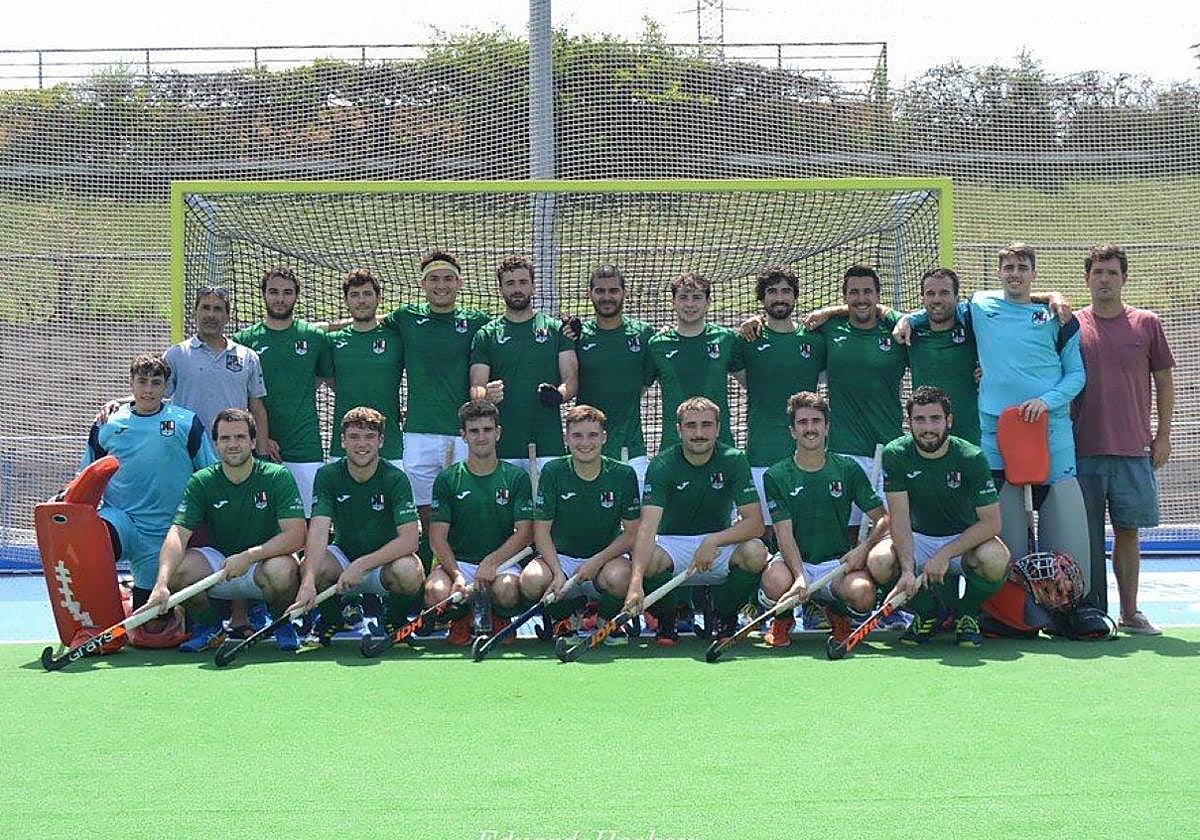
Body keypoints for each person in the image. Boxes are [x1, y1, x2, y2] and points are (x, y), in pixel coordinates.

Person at [896, 244, 1090, 600]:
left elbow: (1076, 375)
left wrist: (1045, 402)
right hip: (997, 435)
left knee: (1063, 524)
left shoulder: (1059, 317)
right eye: (1008, 267)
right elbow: (941, 309)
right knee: (1003, 540)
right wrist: (909, 319)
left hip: (1051, 434)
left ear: (1033, 272)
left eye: (1021, 267)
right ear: (998, 273)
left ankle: (1071, 608)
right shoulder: (982, 306)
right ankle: (1006, 612)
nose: (1014, 273)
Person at [1073, 244, 1175, 633]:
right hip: (1082, 451)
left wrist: (1161, 436)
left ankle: (1129, 612)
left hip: (1134, 450)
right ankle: (1081, 613)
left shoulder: (1147, 323)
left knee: (1128, 532)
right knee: (1084, 537)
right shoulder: (1071, 324)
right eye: (1098, 272)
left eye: (1112, 273)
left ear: (1124, 278)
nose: (1104, 279)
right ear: (1087, 278)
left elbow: (1164, 381)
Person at [143, 408, 306, 652]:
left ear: (253, 442)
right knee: (177, 571)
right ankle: (210, 628)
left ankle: (281, 623)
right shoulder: (202, 481)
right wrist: (161, 583)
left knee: (283, 571)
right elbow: (178, 533)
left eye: (240, 437)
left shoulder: (276, 476)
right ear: (216, 444)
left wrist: (249, 556)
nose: (233, 444)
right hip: (220, 564)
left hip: (264, 561)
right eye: (225, 438)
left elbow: (296, 535)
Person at [81, 354, 217, 639]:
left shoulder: (186, 422)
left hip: (167, 536)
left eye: (156, 383)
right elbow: (87, 475)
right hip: (122, 520)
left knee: (152, 628)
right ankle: (91, 619)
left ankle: (134, 597)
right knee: (92, 544)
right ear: (131, 382)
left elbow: (209, 474)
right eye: (141, 381)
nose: (148, 389)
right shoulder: (108, 422)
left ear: (166, 387)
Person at [867, 386, 1010, 648]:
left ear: (949, 421)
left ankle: (966, 612)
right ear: (909, 423)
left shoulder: (971, 456)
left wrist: (945, 554)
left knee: (996, 559)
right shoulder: (895, 454)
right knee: (878, 562)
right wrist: (908, 570)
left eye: (935, 418)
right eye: (919, 420)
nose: (927, 427)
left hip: (962, 541)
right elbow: (899, 519)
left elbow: (992, 522)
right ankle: (928, 612)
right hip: (918, 539)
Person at [624, 397, 768, 646]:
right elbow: (647, 529)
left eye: (706, 425)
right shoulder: (662, 465)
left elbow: (755, 524)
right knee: (648, 560)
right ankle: (668, 618)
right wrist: (635, 584)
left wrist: (715, 539)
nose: (699, 433)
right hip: (673, 544)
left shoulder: (733, 459)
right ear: (679, 429)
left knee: (756, 552)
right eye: (691, 426)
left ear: (718, 428)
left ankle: (726, 616)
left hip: (719, 543)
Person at [758, 392, 888, 647]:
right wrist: (798, 576)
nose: (810, 428)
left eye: (816, 421)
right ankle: (782, 619)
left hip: (836, 565)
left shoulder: (847, 469)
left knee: (862, 593)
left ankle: (838, 615)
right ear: (792, 431)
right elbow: (784, 534)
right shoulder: (776, 475)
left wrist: (863, 549)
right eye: (802, 423)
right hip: (795, 561)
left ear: (827, 427)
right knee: (775, 582)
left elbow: (883, 518)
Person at [382, 249, 492, 550]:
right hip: (418, 433)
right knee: (426, 511)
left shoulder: (477, 322)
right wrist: (322, 328)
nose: (440, 285)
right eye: (433, 279)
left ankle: (466, 566)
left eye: (447, 278)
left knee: (464, 507)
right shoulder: (405, 317)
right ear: (423, 284)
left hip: (464, 433)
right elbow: (365, 321)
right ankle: (434, 567)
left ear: (459, 283)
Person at [290, 407, 423, 645]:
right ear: (342, 441)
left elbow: (410, 540)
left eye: (369, 437)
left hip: (385, 563)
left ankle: (393, 619)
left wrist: (362, 564)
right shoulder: (328, 475)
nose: (362, 444)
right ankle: (332, 618)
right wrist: (308, 583)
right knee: (310, 567)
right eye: (354, 437)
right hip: (344, 556)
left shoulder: (395, 478)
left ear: (381, 441)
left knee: (409, 573)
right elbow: (319, 531)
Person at [526, 405, 642, 641]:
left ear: (604, 438)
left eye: (592, 435)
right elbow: (541, 532)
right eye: (577, 435)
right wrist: (558, 572)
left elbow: (631, 533)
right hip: (561, 558)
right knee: (530, 581)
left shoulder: (623, 474)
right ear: (567, 439)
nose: (585, 442)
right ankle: (566, 620)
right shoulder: (553, 471)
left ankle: (605, 620)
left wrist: (596, 561)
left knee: (622, 578)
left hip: (605, 559)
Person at [426, 400, 534, 645]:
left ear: (498, 433)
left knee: (507, 591)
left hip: (503, 563)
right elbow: (437, 537)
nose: (481, 436)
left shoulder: (516, 477)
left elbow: (526, 532)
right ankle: (462, 618)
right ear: (463, 435)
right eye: (474, 431)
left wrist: (492, 562)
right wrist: (456, 575)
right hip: (459, 563)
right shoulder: (447, 479)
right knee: (435, 593)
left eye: (487, 429)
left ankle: (498, 617)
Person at [810, 265, 907, 532]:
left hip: (888, 448)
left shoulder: (897, 332)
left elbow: (914, 325)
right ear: (844, 297)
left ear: (878, 296)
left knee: (888, 533)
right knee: (849, 532)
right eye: (854, 292)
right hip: (844, 450)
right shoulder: (829, 330)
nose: (861, 298)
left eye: (867, 292)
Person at [233, 266, 334, 515]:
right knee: (263, 517)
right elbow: (237, 396)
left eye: (287, 292)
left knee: (308, 516)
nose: (280, 298)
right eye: (274, 292)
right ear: (264, 294)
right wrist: (262, 438)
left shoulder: (314, 337)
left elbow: (326, 379)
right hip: (260, 447)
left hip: (305, 444)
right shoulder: (244, 340)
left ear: (296, 296)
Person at [735, 265, 826, 535]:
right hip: (762, 453)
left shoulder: (816, 340)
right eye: (772, 292)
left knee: (807, 531)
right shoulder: (746, 340)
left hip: (808, 457)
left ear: (795, 298)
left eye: (786, 291)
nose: (779, 298)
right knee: (763, 535)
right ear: (762, 299)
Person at [469, 255, 578, 475]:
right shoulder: (487, 334)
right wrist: (485, 395)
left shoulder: (556, 329)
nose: (517, 289)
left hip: (548, 444)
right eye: (510, 283)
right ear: (500, 289)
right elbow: (476, 386)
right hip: (502, 445)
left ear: (533, 286)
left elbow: (571, 379)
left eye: (523, 282)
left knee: (547, 510)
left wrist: (559, 394)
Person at [162, 285, 270, 456]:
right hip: (187, 454)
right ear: (195, 312)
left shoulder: (247, 357)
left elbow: (257, 409)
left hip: (233, 455)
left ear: (227, 317)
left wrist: (263, 456)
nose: (211, 315)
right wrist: (121, 404)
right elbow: (154, 396)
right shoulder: (176, 355)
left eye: (218, 309)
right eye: (205, 308)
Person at [574, 264, 656, 488]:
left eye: (613, 291)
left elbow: (646, 382)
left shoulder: (644, 334)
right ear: (589, 293)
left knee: (638, 520)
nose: (607, 297)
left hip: (632, 447)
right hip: (586, 446)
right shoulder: (578, 337)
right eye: (600, 291)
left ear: (624, 292)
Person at [647, 272, 744, 454]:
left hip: (720, 447)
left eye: (697, 297)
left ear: (708, 302)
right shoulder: (657, 345)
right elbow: (635, 392)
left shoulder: (726, 339)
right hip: (673, 448)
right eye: (683, 297)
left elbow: (752, 384)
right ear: (673, 302)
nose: (690, 304)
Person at [328, 268, 406, 469]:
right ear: (346, 300)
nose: (361, 301)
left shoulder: (397, 338)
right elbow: (329, 381)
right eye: (354, 295)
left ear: (378, 298)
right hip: (343, 447)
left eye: (367, 294)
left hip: (390, 446)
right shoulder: (332, 342)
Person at [906, 268, 981, 445]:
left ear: (957, 297)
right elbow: (876, 310)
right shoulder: (909, 333)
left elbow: (1013, 300)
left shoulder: (975, 327)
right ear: (922, 298)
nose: (937, 300)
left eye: (944, 293)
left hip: (971, 439)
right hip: (927, 439)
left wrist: (1053, 296)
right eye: (930, 293)